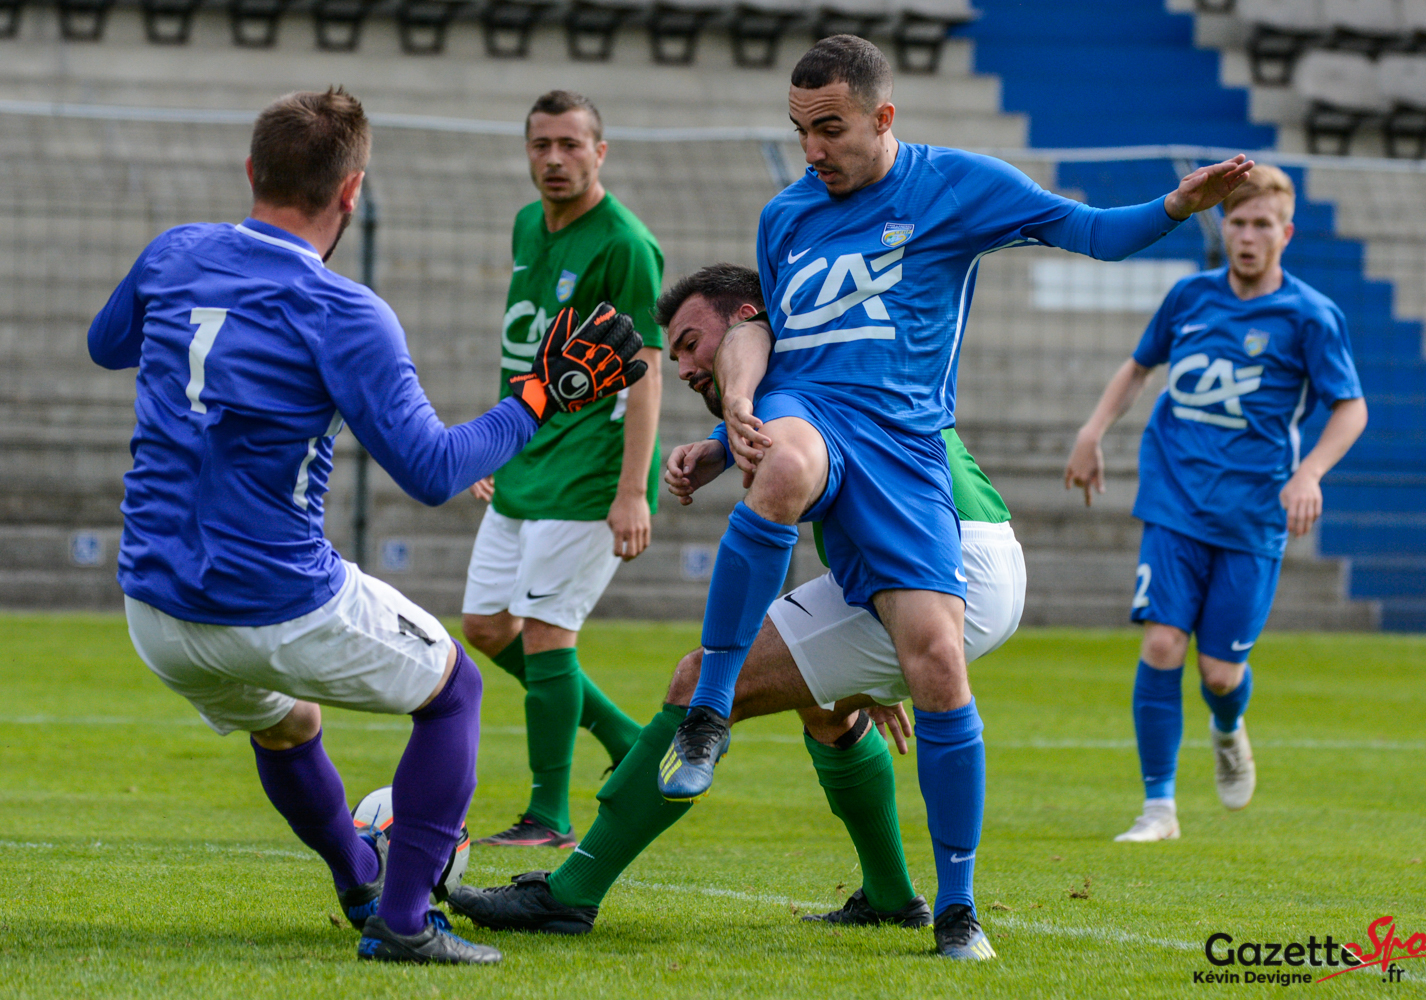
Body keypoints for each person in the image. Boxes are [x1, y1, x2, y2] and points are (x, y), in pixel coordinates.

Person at [654, 36, 1252, 959]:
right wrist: (733, 434)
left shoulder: (957, 187)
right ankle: (709, 714)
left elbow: (1092, 232)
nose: (812, 150)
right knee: (786, 466)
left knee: (937, 663)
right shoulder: (785, 215)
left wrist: (1174, 206)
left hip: (902, 453)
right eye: (800, 129)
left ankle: (958, 907)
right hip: (812, 419)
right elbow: (771, 339)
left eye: (831, 129)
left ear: (883, 117)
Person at [86, 87, 645, 964]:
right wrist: (539, 396)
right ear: (351, 192)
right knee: (455, 690)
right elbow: (434, 471)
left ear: (251, 170)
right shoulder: (343, 311)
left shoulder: (174, 254)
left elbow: (107, 344)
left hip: (153, 607)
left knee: (288, 724)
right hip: (274, 597)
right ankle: (406, 921)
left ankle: (360, 882)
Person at [445, 263, 1024, 953]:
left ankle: (569, 892)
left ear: (747, 322)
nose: (685, 366)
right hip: (968, 555)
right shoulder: (831, 365)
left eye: (691, 343)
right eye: (676, 354)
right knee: (825, 707)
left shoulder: (788, 382)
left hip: (949, 566)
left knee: (700, 681)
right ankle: (891, 897)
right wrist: (722, 446)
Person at [1063, 164, 1367, 844]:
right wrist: (1092, 431)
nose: (1248, 236)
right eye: (1237, 222)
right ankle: (1158, 809)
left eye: (1262, 225)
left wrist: (1310, 473)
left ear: (1286, 234)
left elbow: (1351, 408)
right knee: (1162, 643)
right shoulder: (1189, 297)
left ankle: (1228, 726)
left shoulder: (1311, 316)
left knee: (1220, 674)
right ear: (1222, 228)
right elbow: (1139, 366)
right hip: (1174, 498)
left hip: (1253, 513)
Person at [461, 90, 664, 851]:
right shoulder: (527, 224)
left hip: (589, 471)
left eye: (571, 144)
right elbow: (526, 352)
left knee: (549, 632)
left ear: (599, 152)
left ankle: (548, 816)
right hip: (529, 456)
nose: (554, 158)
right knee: (487, 626)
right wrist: (497, 441)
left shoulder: (626, 245)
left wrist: (632, 490)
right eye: (541, 144)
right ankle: (630, 739)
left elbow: (645, 372)